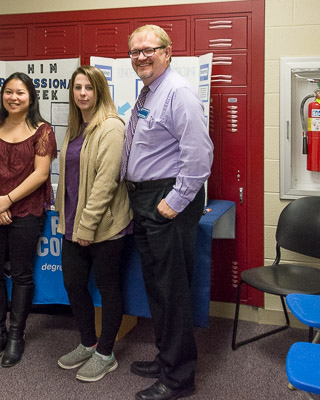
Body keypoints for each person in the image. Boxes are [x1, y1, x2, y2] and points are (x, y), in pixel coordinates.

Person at [124, 25, 213, 400]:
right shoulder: (149, 92)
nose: (141, 56)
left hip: (166, 199)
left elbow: (199, 157)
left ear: (168, 51)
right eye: (135, 51)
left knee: (172, 290)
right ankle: (166, 359)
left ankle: (178, 379)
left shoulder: (178, 93)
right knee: (158, 288)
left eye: (149, 49)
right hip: (145, 197)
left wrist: (173, 202)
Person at [55, 65, 132, 382]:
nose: (82, 93)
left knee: (108, 288)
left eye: (88, 87)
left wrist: (86, 228)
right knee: (73, 284)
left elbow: (106, 184)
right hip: (73, 224)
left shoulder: (112, 128)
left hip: (106, 227)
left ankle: (106, 353)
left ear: (99, 91)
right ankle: (88, 343)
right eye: (77, 88)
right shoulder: (75, 127)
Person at [0, 72, 57, 368]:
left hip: (27, 211)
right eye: (8, 92)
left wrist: (7, 200)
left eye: (20, 92)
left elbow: (41, 174)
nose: (13, 97)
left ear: (31, 97)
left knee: (22, 275)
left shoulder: (43, 130)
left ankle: (15, 336)